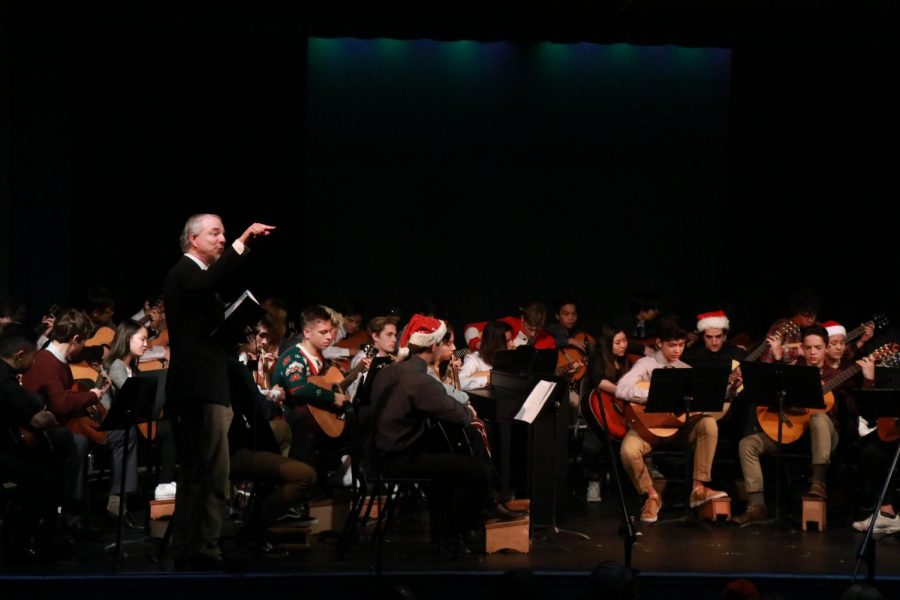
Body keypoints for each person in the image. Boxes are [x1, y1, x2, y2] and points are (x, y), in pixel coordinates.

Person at [163, 213, 274, 569]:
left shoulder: (198, 280)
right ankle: (203, 548)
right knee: (210, 471)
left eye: (225, 234)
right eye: (215, 233)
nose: (223, 239)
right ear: (193, 239)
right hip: (200, 386)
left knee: (201, 470)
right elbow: (208, 282)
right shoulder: (185, 272)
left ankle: (191, 545)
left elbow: (204, 329)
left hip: (205, 383)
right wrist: (244, 241)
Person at [372, 314, 526, 553]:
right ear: (433, 346)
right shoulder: (419, 379)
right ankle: (456, 534)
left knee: (463, 446)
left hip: (380, 452)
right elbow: (460, 415)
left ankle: (482, 507)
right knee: (472, 469)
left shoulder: (391, 371)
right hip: (399, 458)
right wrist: (466, 409)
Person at [732, 324, 872, 525]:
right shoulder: (792, 371)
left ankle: (818, 483)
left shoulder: (839, 375)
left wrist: (868, 379)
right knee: (747, 444)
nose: (813, 352)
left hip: (823, 438)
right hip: (791, 433)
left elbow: (860, 410)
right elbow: (764, 396)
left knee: (818, 418)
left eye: (818, 347)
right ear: (802, 348)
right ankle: (756, 505)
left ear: (826, 347)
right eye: (808, 348)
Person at [614, 315, 728, 523]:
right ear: (659, 343)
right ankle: (651, 495)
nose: (677, 350)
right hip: (648, 428)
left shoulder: (684, 369)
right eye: (672, 345)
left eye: (681, 345)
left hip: (676, 429)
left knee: (708, 424)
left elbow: (702, 401)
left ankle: (698, 488)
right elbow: (622, 389)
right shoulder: (646, 364)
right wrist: (656, 395)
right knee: (628, 451)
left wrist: (728, 390)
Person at [0, 323, 68, 561]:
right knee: (46, 475)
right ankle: (25, 541)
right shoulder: (6, 383)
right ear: (19, 355)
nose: (35, 362)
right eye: (33, 357)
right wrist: (50, 415)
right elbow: (39, 420)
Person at [458, 320, 514, 391]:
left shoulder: (512, 357)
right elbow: (460, 382)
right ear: (495, 343)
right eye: (507, 341)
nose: (512, 344)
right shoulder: (473, 360)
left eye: (511, 340)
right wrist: (490, 378)